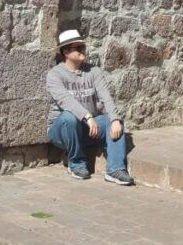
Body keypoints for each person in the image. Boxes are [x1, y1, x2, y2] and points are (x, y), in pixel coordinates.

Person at [46, 30, 135, 185]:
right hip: (62, 132)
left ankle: (116, 170)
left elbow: (106, 97)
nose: (83, 51)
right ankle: (76, 164)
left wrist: (115, 119)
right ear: (66, 52)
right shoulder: (55, 75)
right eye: (78, 48)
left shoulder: (94, 71)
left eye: (83, 47)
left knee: (111, 120)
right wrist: (87, 117)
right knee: (69, 117)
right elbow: (67, 101)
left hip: (88, 129)